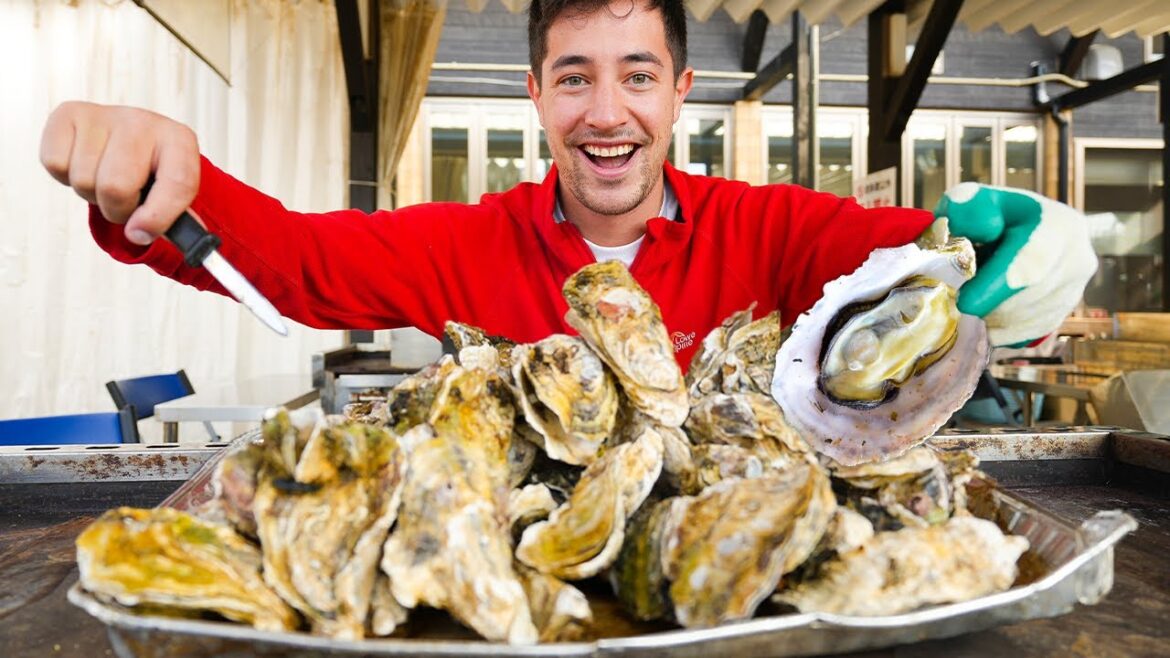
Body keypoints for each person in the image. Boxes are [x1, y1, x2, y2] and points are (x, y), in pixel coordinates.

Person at [38, 0, 1095, 369]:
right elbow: (301, 261)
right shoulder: (462, 243)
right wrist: (167, 177)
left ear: (678, 92)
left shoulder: (774, 230)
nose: (605, 112)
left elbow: (930, 258)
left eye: (637, 76)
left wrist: (1033, 248)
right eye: (576, 78)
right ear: (535, 93)